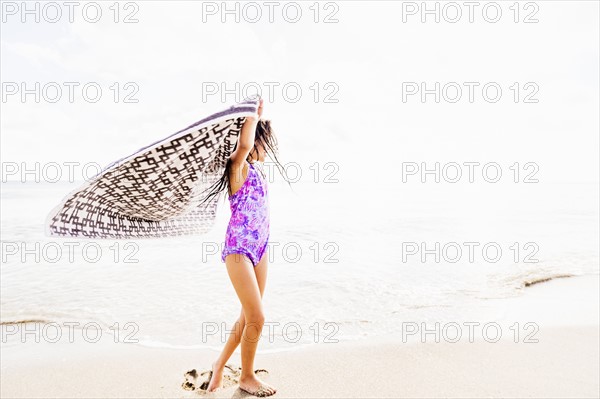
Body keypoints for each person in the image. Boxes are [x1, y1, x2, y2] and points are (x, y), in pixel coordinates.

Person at [201, 98, 280, 397]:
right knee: (257, 317)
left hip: (260, 248)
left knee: (247, 316)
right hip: (238, 249)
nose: (264, 148)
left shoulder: (259, 172)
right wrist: (252, 116)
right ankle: (246, 376)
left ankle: (219, 365)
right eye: (262, 141)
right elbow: (244, 145)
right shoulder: (238, 168)